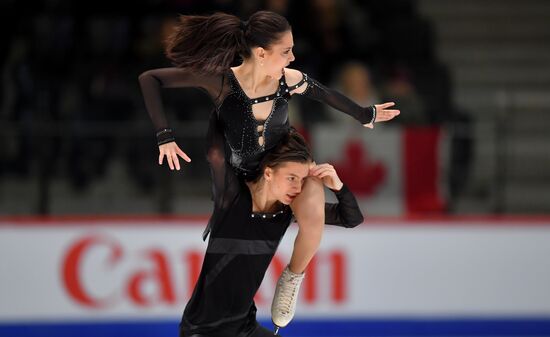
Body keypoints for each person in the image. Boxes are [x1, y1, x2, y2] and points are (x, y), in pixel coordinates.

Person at [138, 10, 399, 329]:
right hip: (244, 176)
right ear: (261, 53)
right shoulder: (221, 81)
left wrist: (364, 114)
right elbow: (150, 78)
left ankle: (292, 278)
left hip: (284, 165)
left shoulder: (288, 80)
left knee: (314, 201)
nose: (293, 56)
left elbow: (327, 95)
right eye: (286, 50)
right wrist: (164, 135)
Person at [180, 129, 364, 337]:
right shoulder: (232, 196)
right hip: (202, 330)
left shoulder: (285, 211)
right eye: (291, 178)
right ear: (268, 173)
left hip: (244, 328)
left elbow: (352, 219)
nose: (297, 188)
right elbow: (216, 149)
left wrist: (338, 187)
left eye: (302, 181)